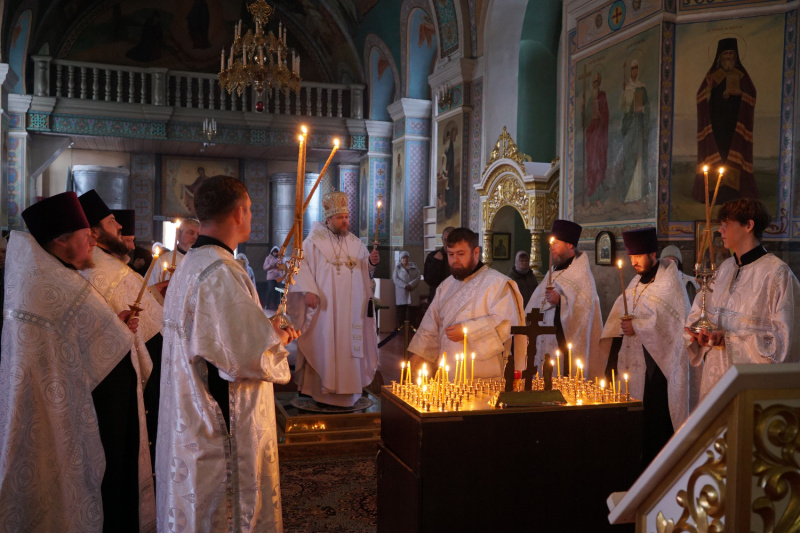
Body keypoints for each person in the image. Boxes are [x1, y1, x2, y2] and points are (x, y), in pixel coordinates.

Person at [156, 175, 299, 531]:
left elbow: (219, 336)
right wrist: (278, 339)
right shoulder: (220, 272)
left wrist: (264, 330)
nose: (250, 215)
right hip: (217, 428)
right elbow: (245, 359)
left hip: (189, 418)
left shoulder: (192, 263)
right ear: (238, 213)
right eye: (249, 209)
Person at [0, 192, 138, 531]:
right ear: (61, 240)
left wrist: (113, 327)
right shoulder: (52, 284)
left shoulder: (51, 274)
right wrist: (112, 332)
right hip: (72, 414)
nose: (93, 241)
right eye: (85, 234)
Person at [80, 191, 164, 488]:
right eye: (112, 221)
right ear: (93, 231)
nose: (119, 227)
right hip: (117, 380)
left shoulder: (107, 264)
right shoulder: (100, 269)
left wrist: (153, 295)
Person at [684, 198, 800, 400]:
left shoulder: (777, 274)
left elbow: (785, 344)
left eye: (726, 224)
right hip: (715, 381)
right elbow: (702, 315)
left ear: (748, 225)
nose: (721, 230)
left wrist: (729, 340)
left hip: (751, 388)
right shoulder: (724, 268)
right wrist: (701, 336)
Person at [600, 228, 694, 470]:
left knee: (656, 426)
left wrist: (638, 326)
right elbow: (620, 314)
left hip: (658, 372)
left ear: (653, 254)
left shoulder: (670, 282)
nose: (634, 262)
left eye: (639, 256)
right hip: (633, 365)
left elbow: (674, 325)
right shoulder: (633, 282)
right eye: (631, 257)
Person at [289, 191, 380, 407]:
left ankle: (350, 392)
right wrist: (308, 291)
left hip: (352, 311)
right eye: (340, 218)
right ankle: (322, 391)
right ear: (329, 219)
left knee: (350, 347)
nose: (345, 221)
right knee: (325, 345)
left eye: (346, 217)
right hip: (325, 310)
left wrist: (371, 263)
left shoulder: (356, 243)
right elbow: (299, 266)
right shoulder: (313, 243)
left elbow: (365, 273)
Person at [409, 227, 526, 378]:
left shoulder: (497, 283)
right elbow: (432, 323)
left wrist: (467, 330)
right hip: (448, 373)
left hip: (483, 375)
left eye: (461, 254)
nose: (455, 260)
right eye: (451, 254)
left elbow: (505, 323)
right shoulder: (445, 286)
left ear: (476, 252)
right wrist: (420, 354)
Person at [526, 220, 604, 378]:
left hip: (562, 346)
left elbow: (586, 309)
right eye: (551, 244)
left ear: (570, 245)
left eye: (556, 243)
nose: (551, 248)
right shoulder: (552, 272)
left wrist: (560, 302)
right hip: (542, 343)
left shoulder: (581, 275)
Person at [693, 38, 758, 204]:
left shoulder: (742, 76)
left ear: (736, 56)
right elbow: (700, 96)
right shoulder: (713, 76)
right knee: (718, 156)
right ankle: (716, 193)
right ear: (719, 57)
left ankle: (733, 193)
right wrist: (708, 90)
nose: (728, 57)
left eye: (731, 54)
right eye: (725, 54)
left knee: (733, 157)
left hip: (735, 127)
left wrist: (739, 93)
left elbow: (751, 95)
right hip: (716, 127)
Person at [620, 59, 650, 204]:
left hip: (638, 126)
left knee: (637, 156)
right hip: (629, 126)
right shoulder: (627, 88)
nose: (634, 71)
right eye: (632, 68)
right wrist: (623, 92)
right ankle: (626, 195)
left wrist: (642, 109)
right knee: (627, 158)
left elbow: (648, 107)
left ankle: (636, 195)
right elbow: (622, 108)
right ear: (630, 71)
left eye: (636, 68)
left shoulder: (642, 88)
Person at [582, 71, 609, 206]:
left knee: (598, 164)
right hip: (591, 135)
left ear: (600, 82)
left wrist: (600, 115)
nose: (595, 84)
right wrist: (583, 110)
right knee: (591, 165)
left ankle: (597, 196)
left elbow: (606, 114)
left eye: (597, 81)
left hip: (599, 134)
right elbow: (585, 120)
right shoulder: (589, 101)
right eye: (593, 82)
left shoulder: (602, 96)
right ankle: (591, 195)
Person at [147, 217, 200, 285]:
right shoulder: (163, 260)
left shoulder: (203, 259)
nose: (195, 237)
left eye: (198, 234)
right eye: (191, 233)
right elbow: (149, 287)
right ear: (178, 235)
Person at [423, 226, 454, 301]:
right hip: (437, 297)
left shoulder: (460, 257)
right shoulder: (432, 256)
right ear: (441, 239)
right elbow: (429, 280)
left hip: (454, 296)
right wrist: (436, 262)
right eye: (445, 240)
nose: (447, 243)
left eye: (451, 240)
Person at [393, 250, 421, 327]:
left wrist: (411, 285)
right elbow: (395, 278)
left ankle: (412, 327)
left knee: (413, 312)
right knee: (402, 312)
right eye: (403, 258)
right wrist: (405, 285)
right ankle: (401, 328)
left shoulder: (414, 266)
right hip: (402, 293)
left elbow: (418, 277)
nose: (405, 259)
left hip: (413, 291)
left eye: (406, 258)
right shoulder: (398, 267)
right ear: (400, 259)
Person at [263, 246, 284, 310]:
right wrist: (271, 264)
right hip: (271, 277)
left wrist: (279, 265)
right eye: (274, 252)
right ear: (272, 252)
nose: (275, 253)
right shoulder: (268, 258)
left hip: (278, 277)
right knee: (270, 290)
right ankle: (267, 304)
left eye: (276, 252)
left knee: (278, 291)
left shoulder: (281, 258)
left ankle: (277, 305)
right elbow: (265, 267)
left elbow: (284, 266)